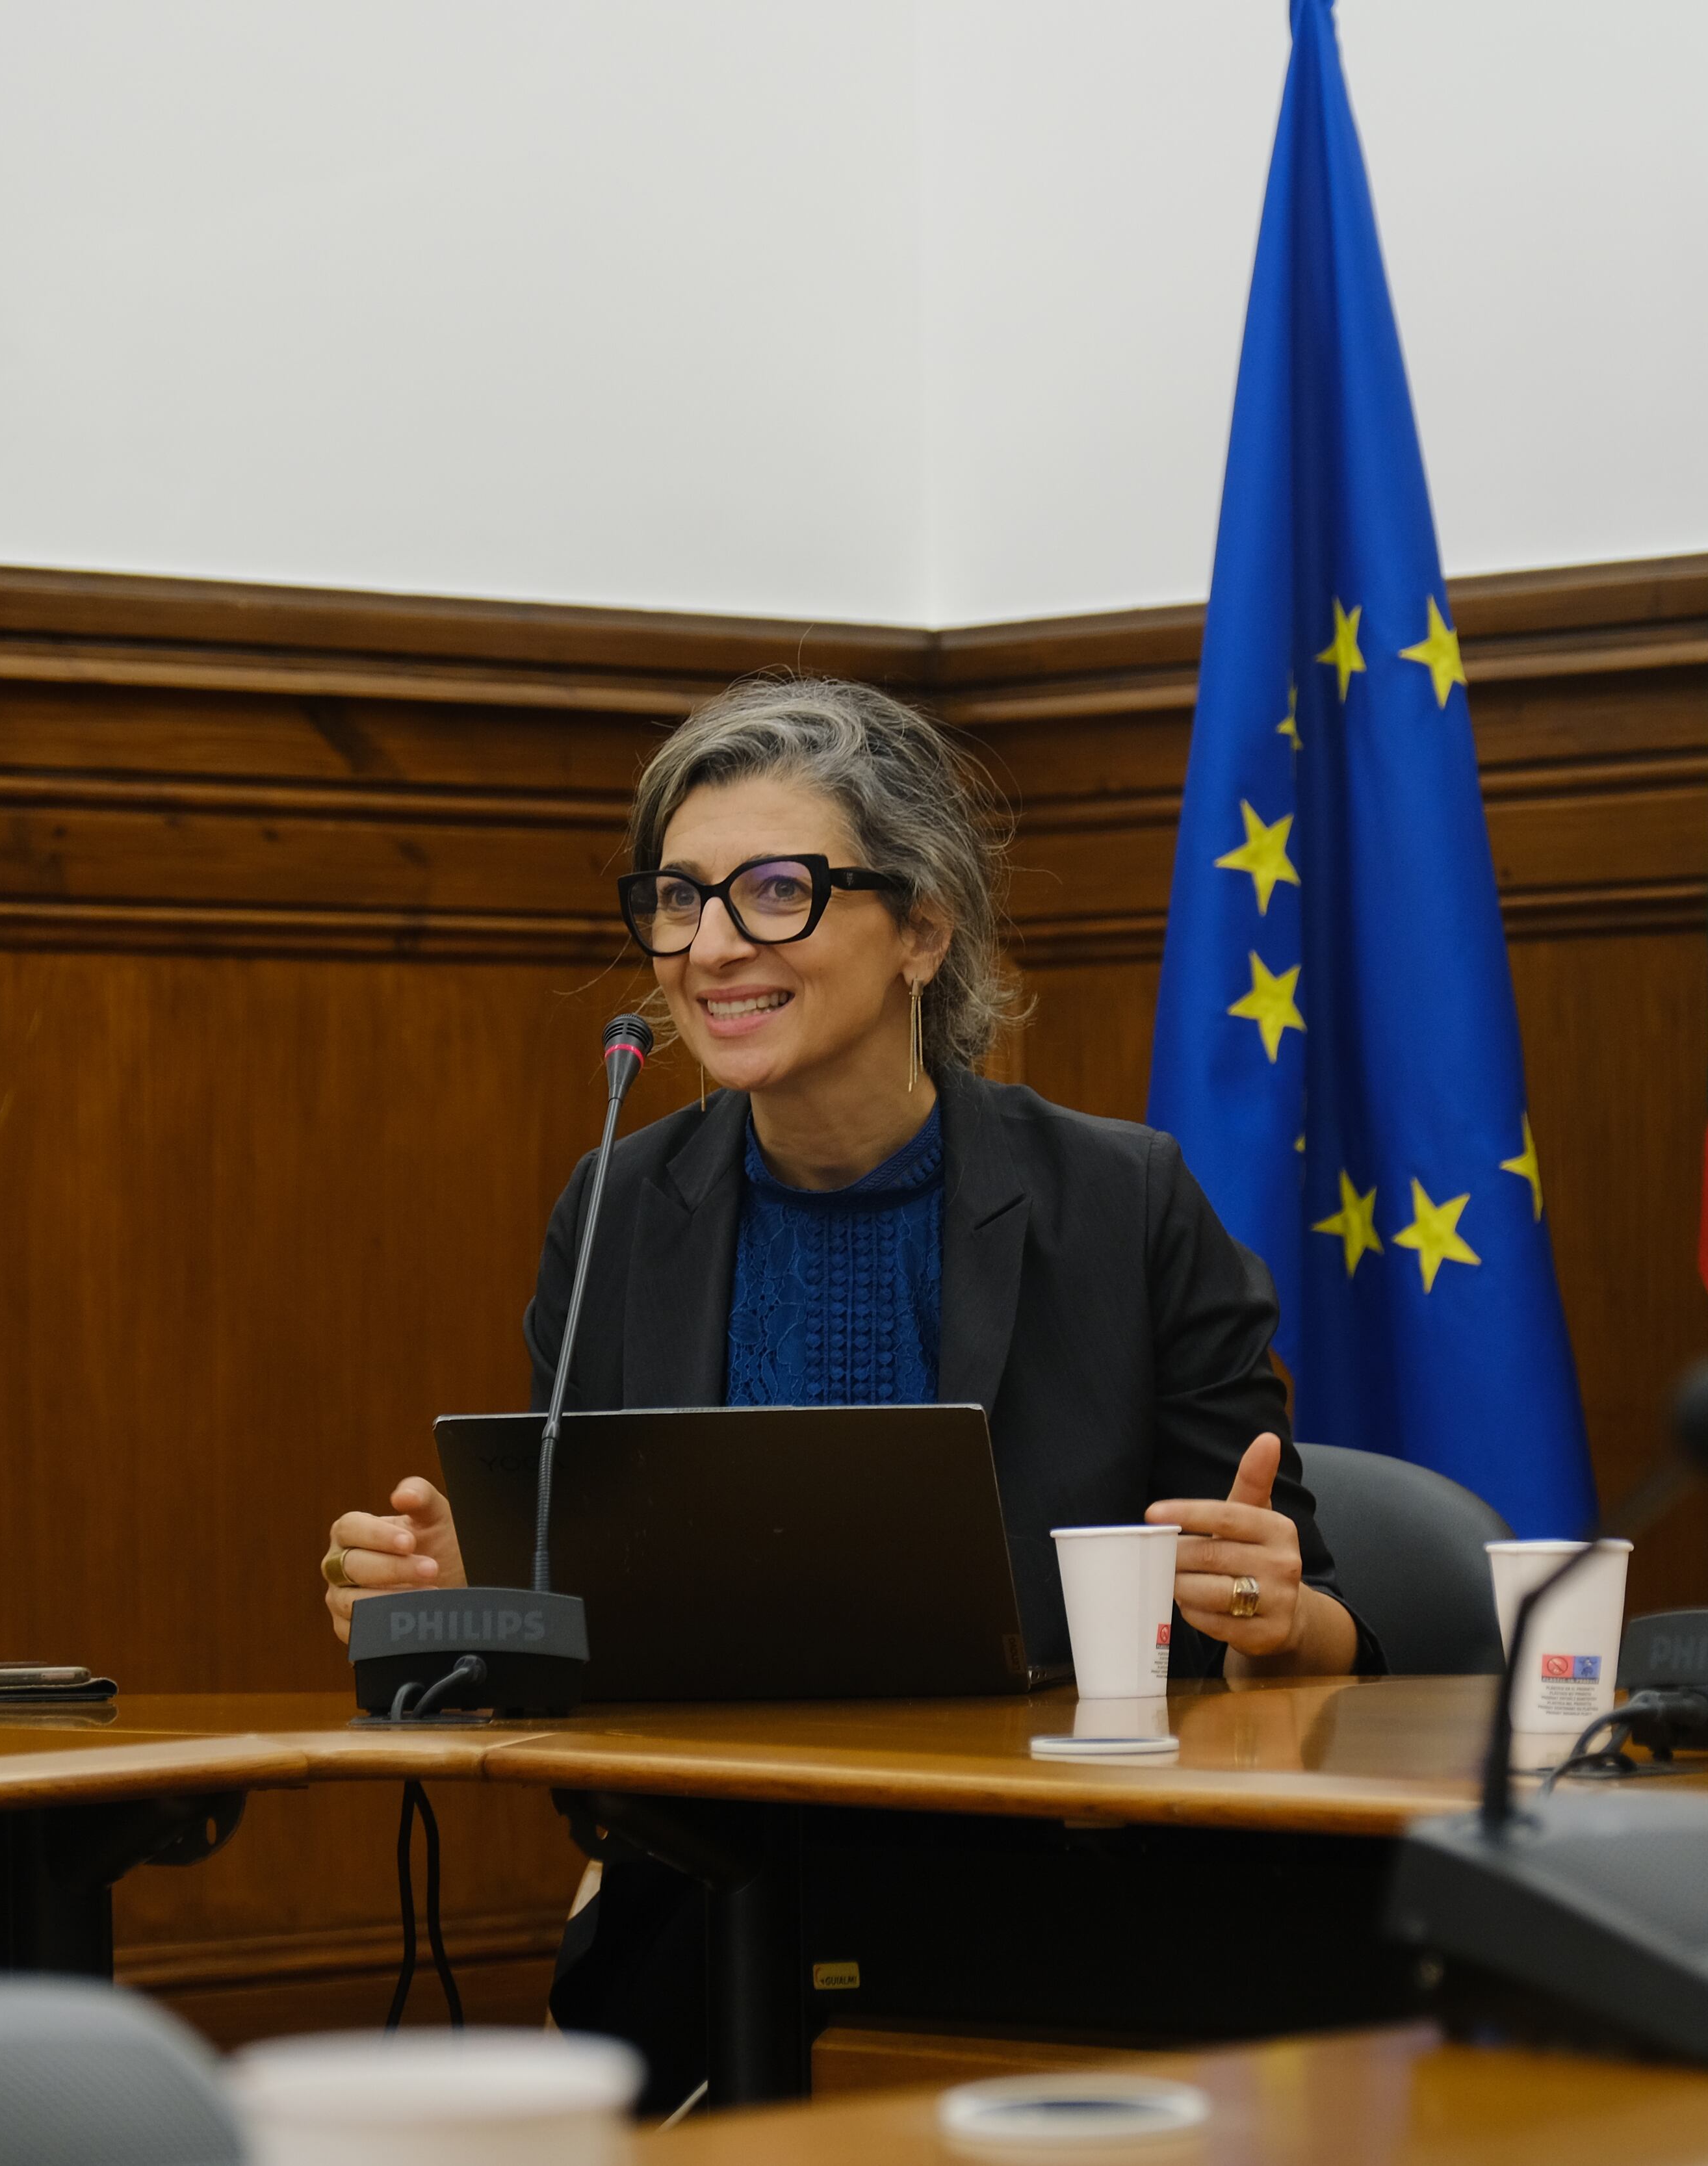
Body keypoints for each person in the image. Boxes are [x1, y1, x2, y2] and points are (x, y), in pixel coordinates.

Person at [316, 677, 1376, 2102]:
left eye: (773, 891)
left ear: (923, 930)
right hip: (710, 1887)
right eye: (678, 898)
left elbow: (1302, 1616)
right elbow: (580, 1647)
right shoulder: (620, 1204)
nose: (709, 947)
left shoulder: (1121, 1201)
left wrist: (1273, 1608)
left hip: (1077, 1883)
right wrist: (462, 1592)